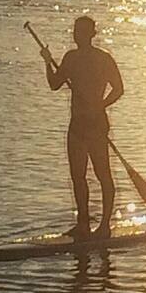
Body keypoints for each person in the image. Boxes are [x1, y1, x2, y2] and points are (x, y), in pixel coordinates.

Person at [41, 16, 124, 239]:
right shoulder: (71, 58)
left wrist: (100, 105)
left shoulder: (103, 59)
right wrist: (47, 62)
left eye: (80, 31)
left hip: (96, 125)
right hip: (77, 126)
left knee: (103, 174)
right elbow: (54, 84)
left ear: (90, 34)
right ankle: (83, 224)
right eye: (75, 31)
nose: (76, 34)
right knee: (77, 176)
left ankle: (104, 225)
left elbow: (118, 89)